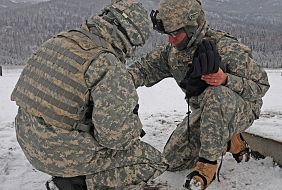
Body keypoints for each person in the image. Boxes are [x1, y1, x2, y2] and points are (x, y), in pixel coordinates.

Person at [11, 0, 168, 189]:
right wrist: (133, 126)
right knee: (152, 160)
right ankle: (74, 183)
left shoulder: (59, 40)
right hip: (56, 155)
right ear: (131, 36)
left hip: (27, 140)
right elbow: (115, 138)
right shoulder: (106, 63)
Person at [128, 0, 270, 189]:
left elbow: (261, 86)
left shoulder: (226, 48)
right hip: (206, 114)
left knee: (216, 93)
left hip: (242, 109)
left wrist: (226, 79)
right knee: (173, 160)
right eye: (168, 34)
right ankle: (230, 140)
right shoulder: (172, 53)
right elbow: (144, 69)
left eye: (175, 34)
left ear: (191, 27)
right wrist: (114, 83)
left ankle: (207, 165)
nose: (171, 40)